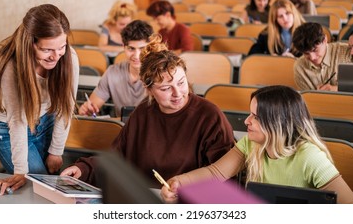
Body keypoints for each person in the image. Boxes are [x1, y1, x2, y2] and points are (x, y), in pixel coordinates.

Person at [61, 34, 234, 187]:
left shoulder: (209, 116)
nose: (177, 94)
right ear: (148, 89)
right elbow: (118, 158)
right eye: (166, 88)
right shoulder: (143, 112)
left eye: (181, 83)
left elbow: (225, 177)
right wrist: (83, 169)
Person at [161, 85, 353, 204]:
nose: (246, 121)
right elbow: (215, 173)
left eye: (255, 117)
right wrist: (179, 181)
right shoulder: (251, 143)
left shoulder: (309, 156)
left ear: (277, 125)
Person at [0, 4, 79, 195]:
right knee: (38, 188)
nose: (56, 56)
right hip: (8, 125)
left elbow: (65, 107)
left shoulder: (68, 57)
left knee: (50, 183)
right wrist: (21, 171)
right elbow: (17, 120)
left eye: (61, 47)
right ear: (30, 43)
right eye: (47, 50)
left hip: (46, 118)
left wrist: (56, 151)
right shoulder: (7, 63)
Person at [80, 20, 153, 117]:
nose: (136, 56)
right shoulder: (112, 73)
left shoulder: (158, 73)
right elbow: (92, 108)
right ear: (123, 47)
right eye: (131, 48)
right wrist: (88, 110)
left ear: (150, 48)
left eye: (142, 49)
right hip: (123, 129)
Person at [292, 22, 353, 91]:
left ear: (325, 40)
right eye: (306, 53)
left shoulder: (347, 52)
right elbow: (307, 99)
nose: (312, 57)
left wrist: (336, 89)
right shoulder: (300, 67)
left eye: (315, 50)